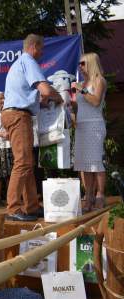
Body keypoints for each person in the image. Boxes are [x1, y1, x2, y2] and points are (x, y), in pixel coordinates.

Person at [2, 34, 63, 222]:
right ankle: (13, 208)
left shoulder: (19, 63)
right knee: (22, 162)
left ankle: (31, 207)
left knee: (27, 162)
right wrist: (58, 97)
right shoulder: (28, 61)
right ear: (34, 46)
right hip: (19, 115)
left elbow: (31, 96)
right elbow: (45, 90)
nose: (42, 53)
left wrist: (43, 103)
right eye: (42, 48)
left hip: (17, 113)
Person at [71, 53, 107, 212]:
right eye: (79, 64)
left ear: (91, 63)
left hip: (94, 125)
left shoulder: (99, 80)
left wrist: (82, 90)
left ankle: (100, 194)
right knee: (84, 164)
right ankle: (89, 195)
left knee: (96, 162)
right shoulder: (81, 83)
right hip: (81, 126)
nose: (80, 66)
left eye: (83, 63)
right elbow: (78, 106)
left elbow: (96, 101)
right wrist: (71, 108)